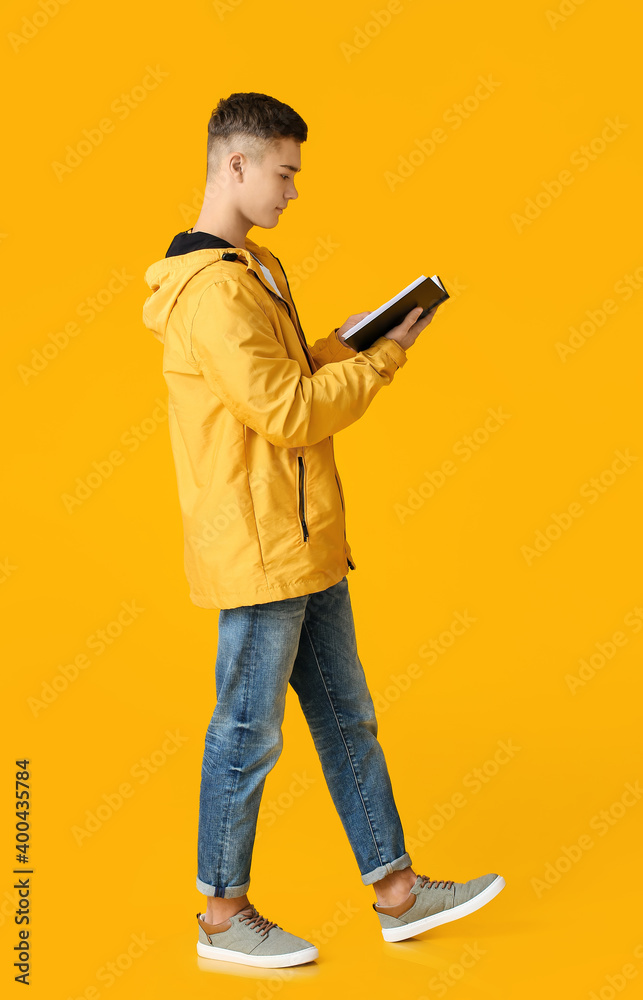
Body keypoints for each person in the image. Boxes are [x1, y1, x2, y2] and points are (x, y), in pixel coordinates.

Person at [142, 91, 505, 970]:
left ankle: (397, 892)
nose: (294, 189)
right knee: (245, 731)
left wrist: (351, 340)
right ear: (235, 165)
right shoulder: (214, 291)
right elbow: (290, 412)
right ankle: (222, 917)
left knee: (347, 718)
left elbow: (290, 375)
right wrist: (384, 362)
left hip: (304, 541)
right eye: (285, 171)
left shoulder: (254, 269)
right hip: (263, 549)